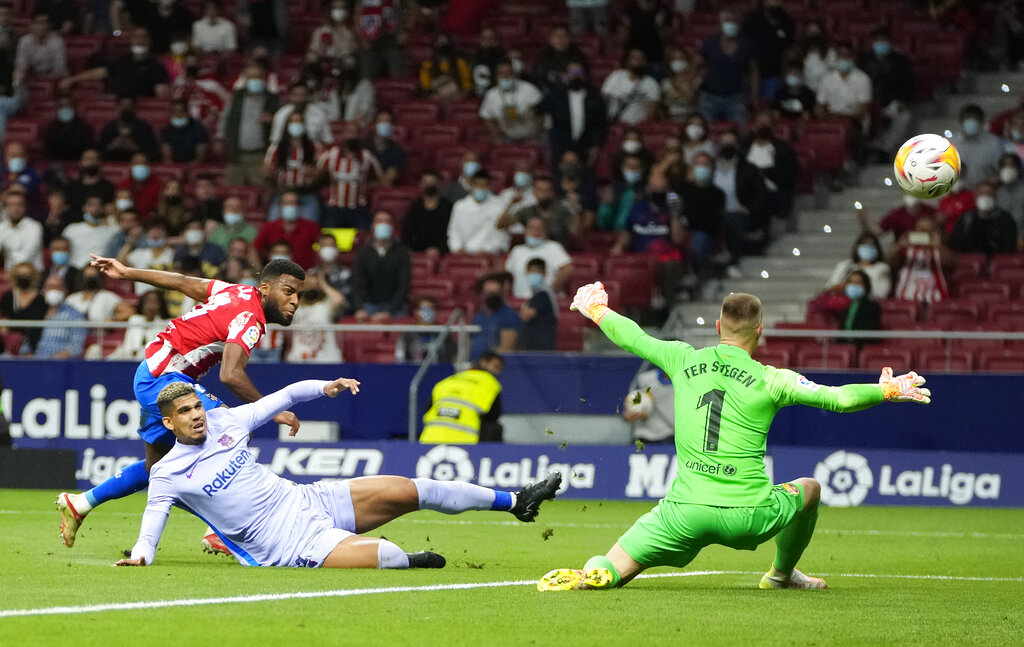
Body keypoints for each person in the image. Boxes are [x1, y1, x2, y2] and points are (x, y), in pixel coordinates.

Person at [538, 285, 931, 592]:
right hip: (750, 514)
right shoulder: (773, 378)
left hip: (683, 514)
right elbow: (839, 398)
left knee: (611, 566)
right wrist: (886, 390)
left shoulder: (683, 358)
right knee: (809, 489)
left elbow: (633, 337)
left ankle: (599, 571)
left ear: (717, 327)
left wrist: (597, 308)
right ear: (760, 330)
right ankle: (780, 575)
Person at [115, 376, 560, 568]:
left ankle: (516, 502)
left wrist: (327, 387)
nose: (197, 416)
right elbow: (153, 521)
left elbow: (287, 394)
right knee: (385, 556)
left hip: (308, 499)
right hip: (285, 543)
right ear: (168, 423)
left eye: (197, 406)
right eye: (185, 412)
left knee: (414, 488)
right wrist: (141, 554)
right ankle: (408, 562)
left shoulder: (227, 421)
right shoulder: (168, 472)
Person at [56, 255, 307, 550]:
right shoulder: (249, 318)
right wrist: (273, 409)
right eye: (288, 292)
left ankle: (81, 503)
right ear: (265, 289)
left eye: (299, 295)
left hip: (152, 372)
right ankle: (220, 533)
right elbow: (231, 374)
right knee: (231, 428)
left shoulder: (233, 291)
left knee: (157, 468)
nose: (295, 301)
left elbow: (182, 282)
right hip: (165, 378)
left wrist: (127, 272)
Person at [421, 351, 507, 443]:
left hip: (430, 438)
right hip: (467, 440)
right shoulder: (490, 383)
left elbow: (428, 408)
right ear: (483, 363)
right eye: (496, 367)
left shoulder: (446, 381)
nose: (498, 371)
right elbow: (494, 415)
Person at [60, 27, 169, 98]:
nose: (139, 41)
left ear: (149, 41)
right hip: (115, 101)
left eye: (143, 37)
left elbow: (161, 91)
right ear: (130, 40)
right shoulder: (122, 60)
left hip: (138, 104)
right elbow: (101, 72)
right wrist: (72, 80)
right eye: (136, 37)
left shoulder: (156, 65)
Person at [218, 62, 280, 185]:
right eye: (251, 77)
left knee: (262, 193)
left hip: (261, 157)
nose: (254, 80)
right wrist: (220, 138)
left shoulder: (274, 99)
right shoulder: (236, 98)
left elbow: (285, 125)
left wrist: (273, 121)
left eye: (258, 77)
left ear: (264, 79)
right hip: (236, 156)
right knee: (232, 193)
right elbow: (224, 119)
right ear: (245, 79)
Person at [537, 61, 606, 167]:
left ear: (584, 75)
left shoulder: (594, 97)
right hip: (560, 145)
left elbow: (600, 123)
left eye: (578, 71)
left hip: (585, 145)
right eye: (572, 72)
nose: (575, 75)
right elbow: (537, 111)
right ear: (565, 75)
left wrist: (596, 145)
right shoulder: (555, 95)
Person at [699, 9, 758, 124]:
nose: (731, 24)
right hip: (710, 96)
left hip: (736, 97)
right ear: (721, 23)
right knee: (703, 129)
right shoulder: (709, 43)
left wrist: (754, 94)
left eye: (734, 21)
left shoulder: (747, 45)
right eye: (728, 21)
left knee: (741, 130)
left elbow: (753, 70)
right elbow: (696, 64)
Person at [351, 210, 411, 322]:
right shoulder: (363, 252)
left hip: (395, 307)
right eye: (379, 221)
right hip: (369, 305)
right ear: (373, 226)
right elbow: (357, 283)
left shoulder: (402, 252)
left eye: (387, 221)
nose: (383, 224)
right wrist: (359, 308)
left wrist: (389, 311)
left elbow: (404, 286)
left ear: (392, 227)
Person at [318, 136, 382, 229]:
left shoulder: (366, 156)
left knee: (364, 237)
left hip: (358, 208)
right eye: (347, 152)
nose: (350, 156)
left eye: (353, 152)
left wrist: (370, 185)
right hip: (335, 207)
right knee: (328, 235)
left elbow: (381, 177)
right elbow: (316, 173)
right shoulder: (332, 154)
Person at [505, 216, 572, 299]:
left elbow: (567, 269)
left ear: (545, 231)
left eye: (539, 228)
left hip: (546, 301)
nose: (536, 231)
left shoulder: (553, 247)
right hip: (521, 299)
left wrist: (549, 292)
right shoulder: (517, 251)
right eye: (532, 228)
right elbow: (507, 274)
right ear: (525, 230)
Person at [447, 170, 513, 255]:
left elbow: (502, 235)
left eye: (484, 185)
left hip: (489, 255)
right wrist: (457, 247)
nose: (480, 188)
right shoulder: (460, 206)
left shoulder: (499, 206)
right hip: (464, 254)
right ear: (471, 185)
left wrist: (488, 250)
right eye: (477, 185)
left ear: (489, 185)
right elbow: (453, 231)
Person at [253, 191, 322, 269]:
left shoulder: (311, 227)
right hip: (275, 276)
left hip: (305, 275)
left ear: (298, 206)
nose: (290, 206)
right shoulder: (268, 227)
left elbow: (323, 246)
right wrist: (259, 271)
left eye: (293, 203)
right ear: (280, 206)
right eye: (286, 203)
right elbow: (254, 249)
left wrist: (316, 271)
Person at [479, 60, 543, 143]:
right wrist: (497, 138)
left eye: (508, 73)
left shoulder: (529, 89)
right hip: (508, 137)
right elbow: (488, 119)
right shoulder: (491, 95)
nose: (505, 77)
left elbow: (541, 116)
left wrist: (534, 136)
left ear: (514, 74)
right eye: (501, 74)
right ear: (496, 76)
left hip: (534, 135)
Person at [949, 181, 1018, 257]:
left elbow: (1009, 246)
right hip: (971, 261)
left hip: (997, 262)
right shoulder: (966, 219)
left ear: (995, 197)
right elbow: (957, 244)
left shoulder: (1005, 219)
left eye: (989, 193)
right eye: (982, 193)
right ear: (976, 196)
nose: (985, 197)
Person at [285, 273, 344, 363]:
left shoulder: (325, 305)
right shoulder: (296, 306)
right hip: (299, 360)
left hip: (326, 360)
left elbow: (339, 300)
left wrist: (322, 284)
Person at [741, 0, 793, 100]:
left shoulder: (787, 21)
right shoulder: (751, 19)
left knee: (771, 106)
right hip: (750, 73)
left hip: (774, 74)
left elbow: (788, 48)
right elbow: (743, 46)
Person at [25, 274, 86, 358]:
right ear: (43, 291)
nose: (53, 290)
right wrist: (29, 357)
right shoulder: (36, 313)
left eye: (57, 287)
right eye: (49, 287)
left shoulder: (75, 315)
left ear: (65, 290)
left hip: (60, 365)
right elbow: (26, 342)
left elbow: (76, 347)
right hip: (35, 362)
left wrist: (52, 360)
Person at [950, 104, 1007, 190]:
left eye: (975, 118)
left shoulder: (994, 143)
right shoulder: (952, 143)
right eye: (967, 118)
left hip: (986, 192)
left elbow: (1000, 171)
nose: (971, 121)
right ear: (961, 121)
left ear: (981, 121)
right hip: (958, 193)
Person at [601, 49, 660, 126]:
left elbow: (651, 113)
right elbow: (604, 97)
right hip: (615, 125)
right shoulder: (616, 76)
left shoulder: (651, 83)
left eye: (639, 58)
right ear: (627, 61)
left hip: (638, 127)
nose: (636, 60)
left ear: (644, 62)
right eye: (633, 58)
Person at [825, 233, 891, 300]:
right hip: (840, 301)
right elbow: (830, 285)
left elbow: (881, 293)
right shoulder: (845, 265)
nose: (867, 248)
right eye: (864, 245)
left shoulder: (882, 268)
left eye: (871, 246)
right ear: (857, 248)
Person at [470, 273, 520, 360]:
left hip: (492, 367)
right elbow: (472, 341)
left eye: (496, 293)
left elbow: (506, 348)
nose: (493, 296)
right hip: (473, 366)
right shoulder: (478, 316)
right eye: (489, 293)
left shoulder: (508, 315)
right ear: (481, 294)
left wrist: (486, 363)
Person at [402, 169, 451, 256]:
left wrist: (439, 249)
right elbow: (407, 234)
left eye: (432, 182)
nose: (429, 185)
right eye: (426, 182)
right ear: (421, 184)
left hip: (442, 253)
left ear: (439, 184)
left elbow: (452, 233)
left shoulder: (447, 207)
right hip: (418, 253)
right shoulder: (414, 208)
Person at [62, 197, 119, 270]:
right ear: (84, 208)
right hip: (75, 269)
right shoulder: (71, 229)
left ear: (102, 209)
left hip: (99, 270)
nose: (94, 208)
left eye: (98, 205)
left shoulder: (111, 231)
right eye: (91, 205)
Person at [0, 262, 46, 352]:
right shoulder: (9, 296)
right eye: (20, 275)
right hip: (12, 341)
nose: (23, 277)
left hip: (34, 338)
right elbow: (5, 322)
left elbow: (39, 320)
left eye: (26, 274)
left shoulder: (40, 298)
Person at [98, 97, 160, 163]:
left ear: (135, 108)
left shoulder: (144, 128)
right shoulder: (109, 128)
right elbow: (99, 151)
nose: (126, 109)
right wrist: (112, 146)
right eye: (123, 106)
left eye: (129, 106)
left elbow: (153, 152)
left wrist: (135, 148)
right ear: (117, 107)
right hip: (112, 163)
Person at [396, 294, 455, 363]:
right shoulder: (407, 335)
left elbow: (450, 358)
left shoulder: (444, 334)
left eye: (431, 309)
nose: (428, 312)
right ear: (416, 312)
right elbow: (400, 360)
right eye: (425, 309)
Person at [532, 23, 590, 92]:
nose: (560, 39)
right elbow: (537, 78)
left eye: (564, 35)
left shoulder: (578, 56)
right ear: (550, 39)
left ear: (570, 38)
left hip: (571, 94)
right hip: (547, 95)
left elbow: (583, 76)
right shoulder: (542, 56)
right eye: (556, 36)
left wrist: (576, 72)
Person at [623, 368, 673, 445]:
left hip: (670, 436)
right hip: (644, 434)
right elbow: (631, 401)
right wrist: (629, 413)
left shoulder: (688, 381)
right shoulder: (645, 379)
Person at [518, 258, 558, 351]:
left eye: (537, 271)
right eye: (531, 271)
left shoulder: (542, 294)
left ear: (544, 273)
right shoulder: (537, 294)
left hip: (540, 344)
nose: (534, 274)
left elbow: (526, 316)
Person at [14, 13, 67, 80]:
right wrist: (22, 73)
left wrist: (44, 78)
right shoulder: (24, 41)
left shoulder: (57, 41)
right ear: (31, 25)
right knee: (17, 75)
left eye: (45, 23)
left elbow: (59, 68)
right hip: (32, 75)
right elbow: (21, 64)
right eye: (38, 23)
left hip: (54, 76)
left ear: (49, 26)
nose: (42, 27)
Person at [0, 188, 42, 271]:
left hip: (31, 275)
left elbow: (25, 257)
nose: (15, 209)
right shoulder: (1, 227)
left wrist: (7, 254)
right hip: (9, 275)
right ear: (6, 207)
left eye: (19, 204)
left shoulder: (34, 227)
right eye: (11, 205)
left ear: (25, 206)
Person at [44, 94, 94, 162]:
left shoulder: (84, 127)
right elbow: (48, 150)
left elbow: (87, 148)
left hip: (78, 161)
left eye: (67, 106)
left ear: (74, 108)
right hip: (57, 161)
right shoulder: (50, 128)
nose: (64, 109)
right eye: (62, 106)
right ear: (57, 109)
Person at [838, 270, 881, 347]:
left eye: (858, 283)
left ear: (866, 286)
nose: (853, 286)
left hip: (862, 346)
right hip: (844, 346)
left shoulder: (872, 306)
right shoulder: (843, 304)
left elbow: (869, 332)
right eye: (851, 282)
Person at [161, 98, 210, 163]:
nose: (178, 114)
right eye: (175, 111)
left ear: (187, 112)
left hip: (193, 165)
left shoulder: (198, 129)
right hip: (175, 165)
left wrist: (194, 164)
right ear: (171, 113)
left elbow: (201, 154)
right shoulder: (167, 130)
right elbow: (167, 155)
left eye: (181, 111)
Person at [366, 111, 405, 187]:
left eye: (387, 122)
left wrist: (366, 185)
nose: (384, 125)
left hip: (381, 192)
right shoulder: (363, 146)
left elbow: (387, 181)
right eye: (381, 121)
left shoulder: (397, 150)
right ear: (374, 125)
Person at [661, 47, 700, 122]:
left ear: (687, 61)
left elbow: (691, 99)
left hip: (690, 118)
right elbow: (662, 106)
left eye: (681, 58)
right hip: (671, 119)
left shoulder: (696, 81)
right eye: (674, 58)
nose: (677, 61)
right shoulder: (665, 83)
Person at [996, 152, 1024, 237]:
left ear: (1018, 168)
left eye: (1011, 165)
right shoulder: (997, 191)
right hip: (1001, 236)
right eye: (1005, 165)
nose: (1008, 168)